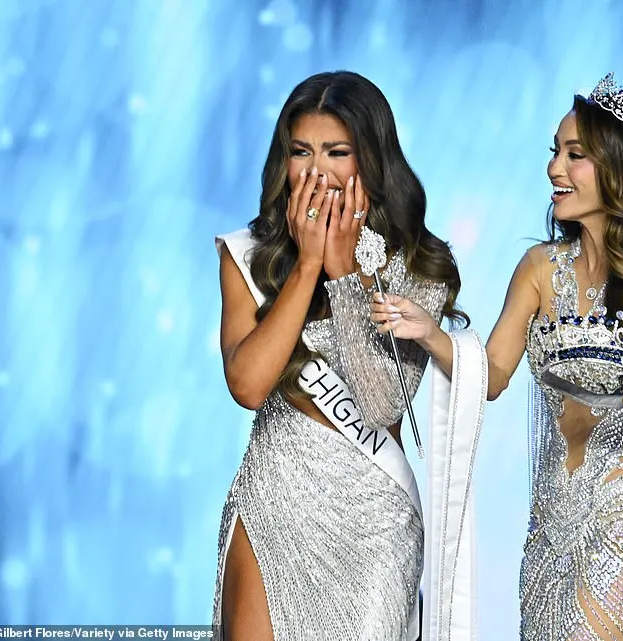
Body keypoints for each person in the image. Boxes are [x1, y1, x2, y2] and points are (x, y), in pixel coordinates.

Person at [370, 73, 623, 640]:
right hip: (549, 524)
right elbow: (488, 377)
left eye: (575, 155)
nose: (554, 169)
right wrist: (429, 334)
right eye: (555, 153)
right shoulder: (539, 269)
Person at [211, 70, 468, 641]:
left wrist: (345, 274)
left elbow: (380, 405)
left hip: (376, 517)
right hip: (277, 501)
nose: (316, 170)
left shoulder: (420, 263)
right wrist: (305, 267)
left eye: (337, 151)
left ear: (370, 160)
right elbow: (249, 387)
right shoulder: (247, 254)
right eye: (301, 151)